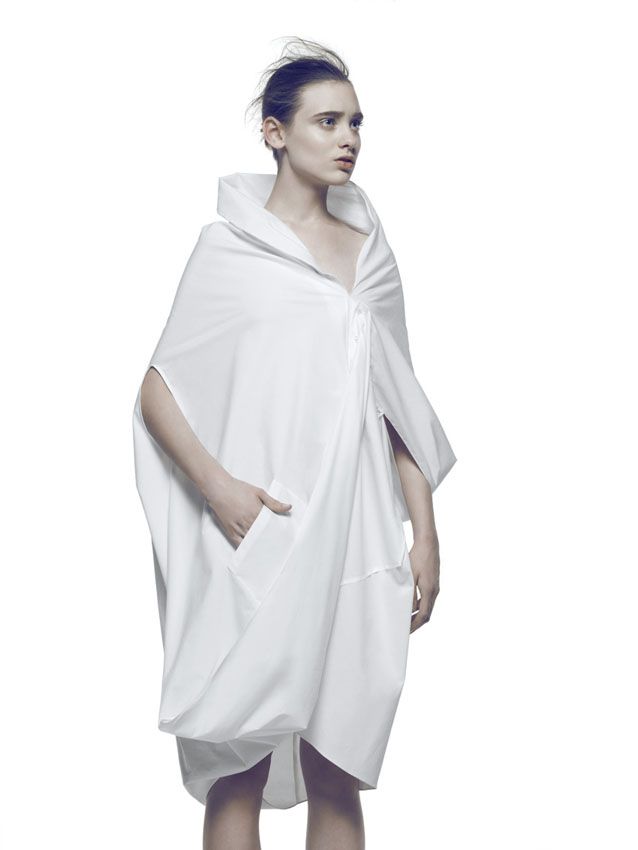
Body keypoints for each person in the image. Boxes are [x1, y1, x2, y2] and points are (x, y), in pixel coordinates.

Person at [133, 37, 456, 850]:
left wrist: (425, 535)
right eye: (327, 121)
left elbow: (399, 406)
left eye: (356, 122)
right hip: (262, 534)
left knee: (338, 764)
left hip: (357, 540)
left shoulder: (370, 258)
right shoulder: (228, 250)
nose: (348, 138)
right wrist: (220, 492)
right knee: (237, 763)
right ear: (275, 132)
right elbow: (159, 388)